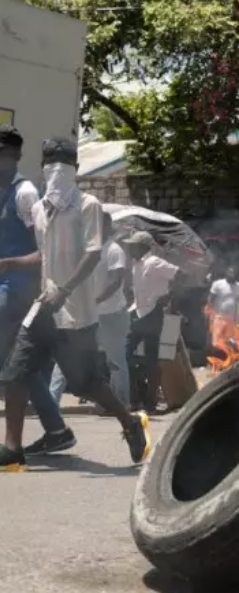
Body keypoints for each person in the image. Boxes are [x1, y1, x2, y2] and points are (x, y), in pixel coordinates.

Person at [0, 138, 150, 469]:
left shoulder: (89, 206)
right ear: (42, 168)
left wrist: (65, 289)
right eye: (50, 164)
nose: (55, 172)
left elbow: (93, 252)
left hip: (76, 313)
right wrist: (10, 263)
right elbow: (45, 255)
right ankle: (12, 448)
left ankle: (130, 422)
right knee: (13, 373)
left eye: (62, 165)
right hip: (43, 308)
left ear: (76, 170)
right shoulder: (39, 209)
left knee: (85, 383)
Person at [0, 126, 72, 456]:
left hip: (19, 292)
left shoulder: (25, 192)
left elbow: (48, 251)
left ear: (13, 155)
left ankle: (25, 440)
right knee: (18, 365)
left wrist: (8, 264)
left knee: (14, 366)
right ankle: (56, 429)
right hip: (6, 290)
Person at [48, 211, 131, 415]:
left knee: (115, 361)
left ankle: (122, 405)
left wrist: (93, 301)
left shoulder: (114, 250)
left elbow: (115, 281)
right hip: (84, 314)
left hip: (110, 314)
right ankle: (51, 402)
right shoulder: (84, 250)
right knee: (68, 356)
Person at [125, 231, 180, 414]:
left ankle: (149, 403)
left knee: (150, 359)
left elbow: (180, 274)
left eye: (133, 245)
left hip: (152, 314)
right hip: (137, 312)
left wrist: (169, 295)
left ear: (144, 246)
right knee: (125, 356)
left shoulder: (155, 262)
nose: (130, 248)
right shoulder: (136, 264)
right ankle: (136, 397)